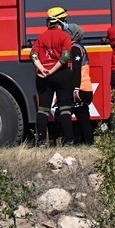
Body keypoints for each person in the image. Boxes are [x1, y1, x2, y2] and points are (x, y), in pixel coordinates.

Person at [31, 8, 73, 146]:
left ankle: (42, 141)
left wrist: (43, 69)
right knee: (65, 108)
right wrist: (53, 70)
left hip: (43, 77)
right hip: (61, 74)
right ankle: (68, 141)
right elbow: (65, 57)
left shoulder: (41, 37)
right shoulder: (65, 36)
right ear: (61, 21)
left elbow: (33, 55)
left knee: (43, 109)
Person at [65, 24, 95, 146]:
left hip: (80, 87)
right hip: (84, 86)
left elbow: (76, 69)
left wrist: (75, 88)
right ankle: (85, 141)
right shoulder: (80, 47)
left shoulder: (75, 48)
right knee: (82, 115)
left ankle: (87, 142)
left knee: (79, 116)